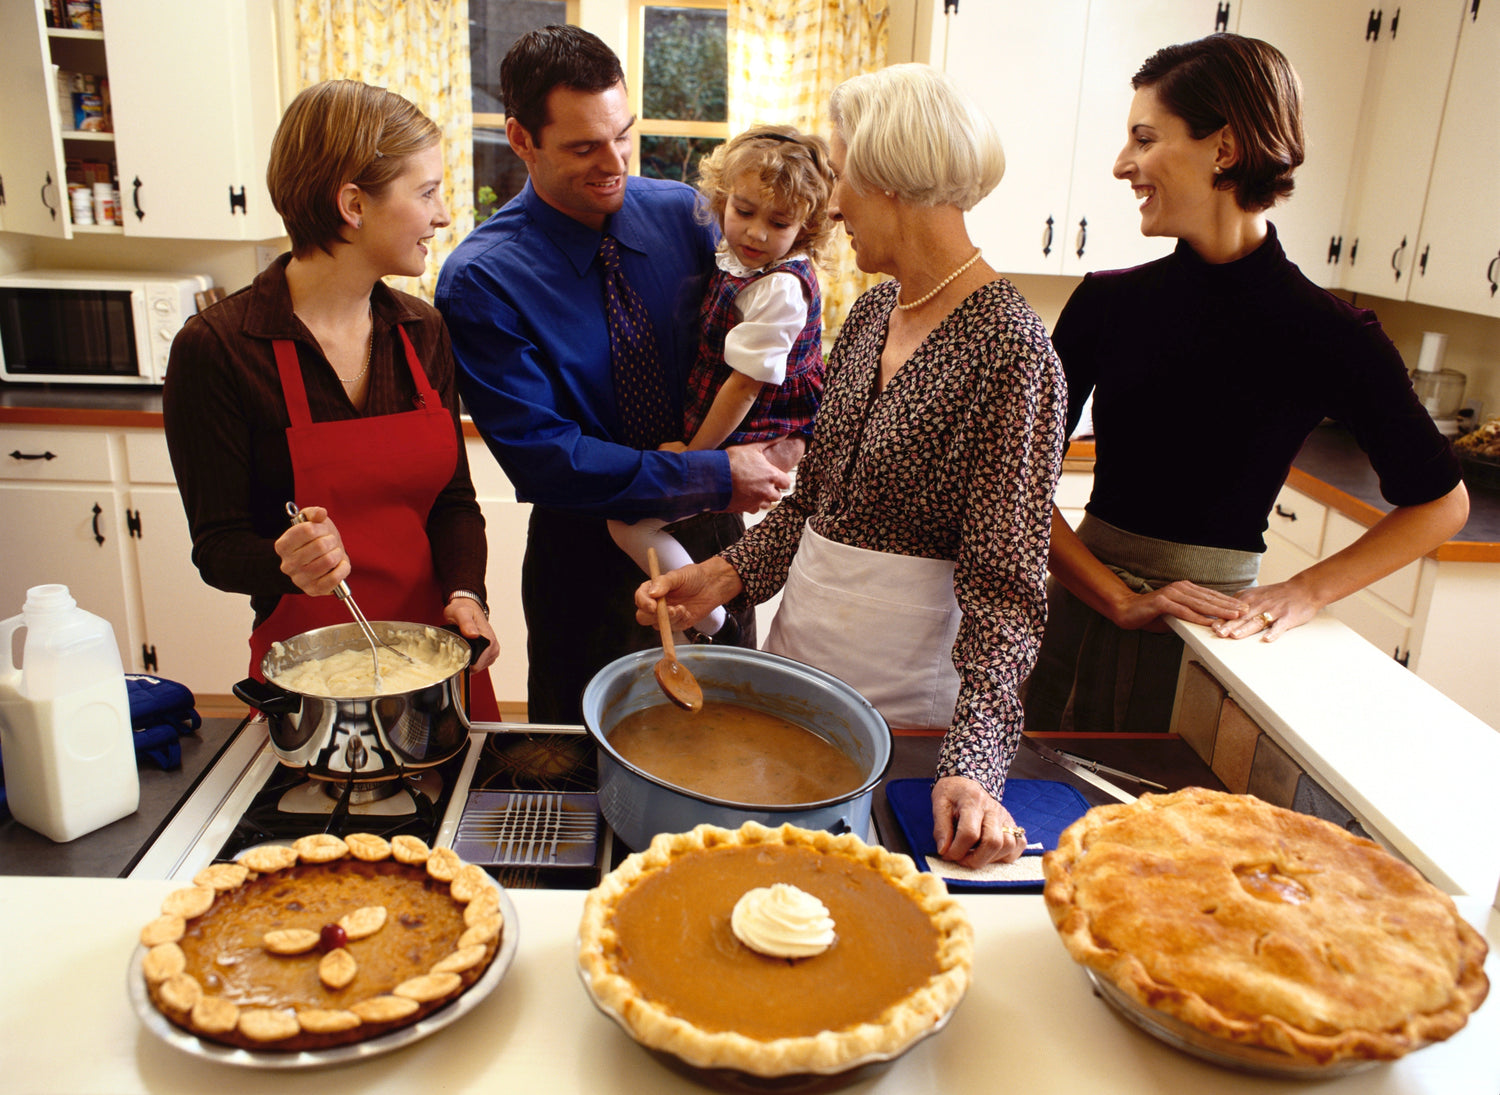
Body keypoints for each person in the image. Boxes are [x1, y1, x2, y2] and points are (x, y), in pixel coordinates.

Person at [636, 64, 1067, 868]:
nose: (832, 205)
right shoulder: (874, 311)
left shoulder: (1012, 348)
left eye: (843, 178)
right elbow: (814, 504)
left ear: (893, 181)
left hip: (910, 705)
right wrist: (723, 574)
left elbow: (1008, 592)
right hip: (802, 661)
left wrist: (972, 767)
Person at [1024, 34, 1469, 734]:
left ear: (1224, 150)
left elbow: (1441, 504)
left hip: (1217, 645)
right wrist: (1116, 596)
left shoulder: (1334, 335)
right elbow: (1012, 479)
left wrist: (1304, 590)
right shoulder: (1106, 304)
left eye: (1144, 138)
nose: (1121, 165)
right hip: (1078, 620)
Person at [436, 26, 791, 724]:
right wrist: (719, 473)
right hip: (585, 565)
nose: (614, 161)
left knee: (727, 748)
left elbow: (770, 322)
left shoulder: (687, 216)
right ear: (519, 138)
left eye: (623, 134)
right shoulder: (482, 279)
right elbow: (547, 459)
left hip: (714, 544)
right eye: (583, 147)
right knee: (582, 773)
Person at [163, 79, 500, 718]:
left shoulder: (421, 332)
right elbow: (217, 545)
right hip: (311, 683)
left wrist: (467, 593)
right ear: (352, 204)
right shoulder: (219, 349)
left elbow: (454, 501)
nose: (443, 215)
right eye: (426, 191)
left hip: (437, 666)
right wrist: (281, 561)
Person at [607, 123, 836, 639]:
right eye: (743, 211)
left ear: (805, 227)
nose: (755, 232)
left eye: (778, 222)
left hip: (755, 429)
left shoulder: (779, 286)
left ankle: (705, 614)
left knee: (626, 520)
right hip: (738, 424)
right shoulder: (740, 262)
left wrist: (693, 456)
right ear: (722, 199)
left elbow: (744, 386)